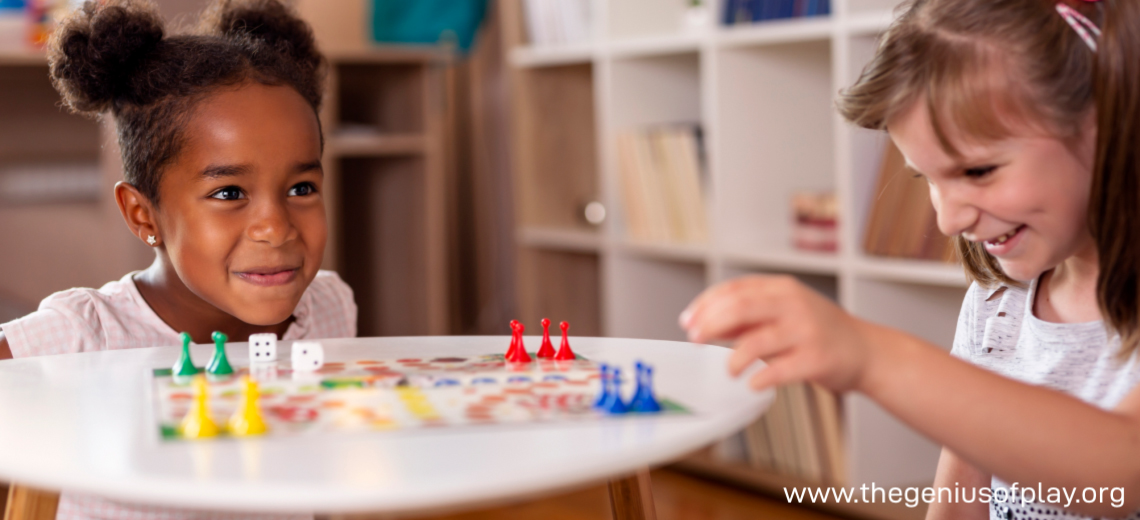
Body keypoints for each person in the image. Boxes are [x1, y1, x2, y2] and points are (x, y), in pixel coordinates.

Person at [679, 0, 1140, 518]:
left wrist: (870, 355)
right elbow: (960, 501)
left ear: (1109, 123)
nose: (948, 222)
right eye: (928, 179)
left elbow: (1122, 468)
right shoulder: (996, 304)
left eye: (978, 171)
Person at [0, 0, 356, 518]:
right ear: (143, 216)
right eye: (230, 193)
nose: (276, 227)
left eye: (302, 187)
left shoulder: (330, 307)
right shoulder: (83, 334)